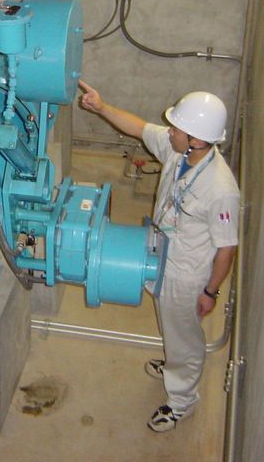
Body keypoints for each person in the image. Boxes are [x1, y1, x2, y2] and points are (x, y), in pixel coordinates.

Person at [78, 80, 239, 433]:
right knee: (171, 324)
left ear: (196, 139)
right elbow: (139, 128)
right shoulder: (178, 151)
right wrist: (101, 107)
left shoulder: (221, 189)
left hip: (187, 273)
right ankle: (173, 363)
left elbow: (227, 248)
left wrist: (210, 291)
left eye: (177, 128)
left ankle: (182, 401)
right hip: (161, 250)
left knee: (184, 336)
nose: (169, 131)